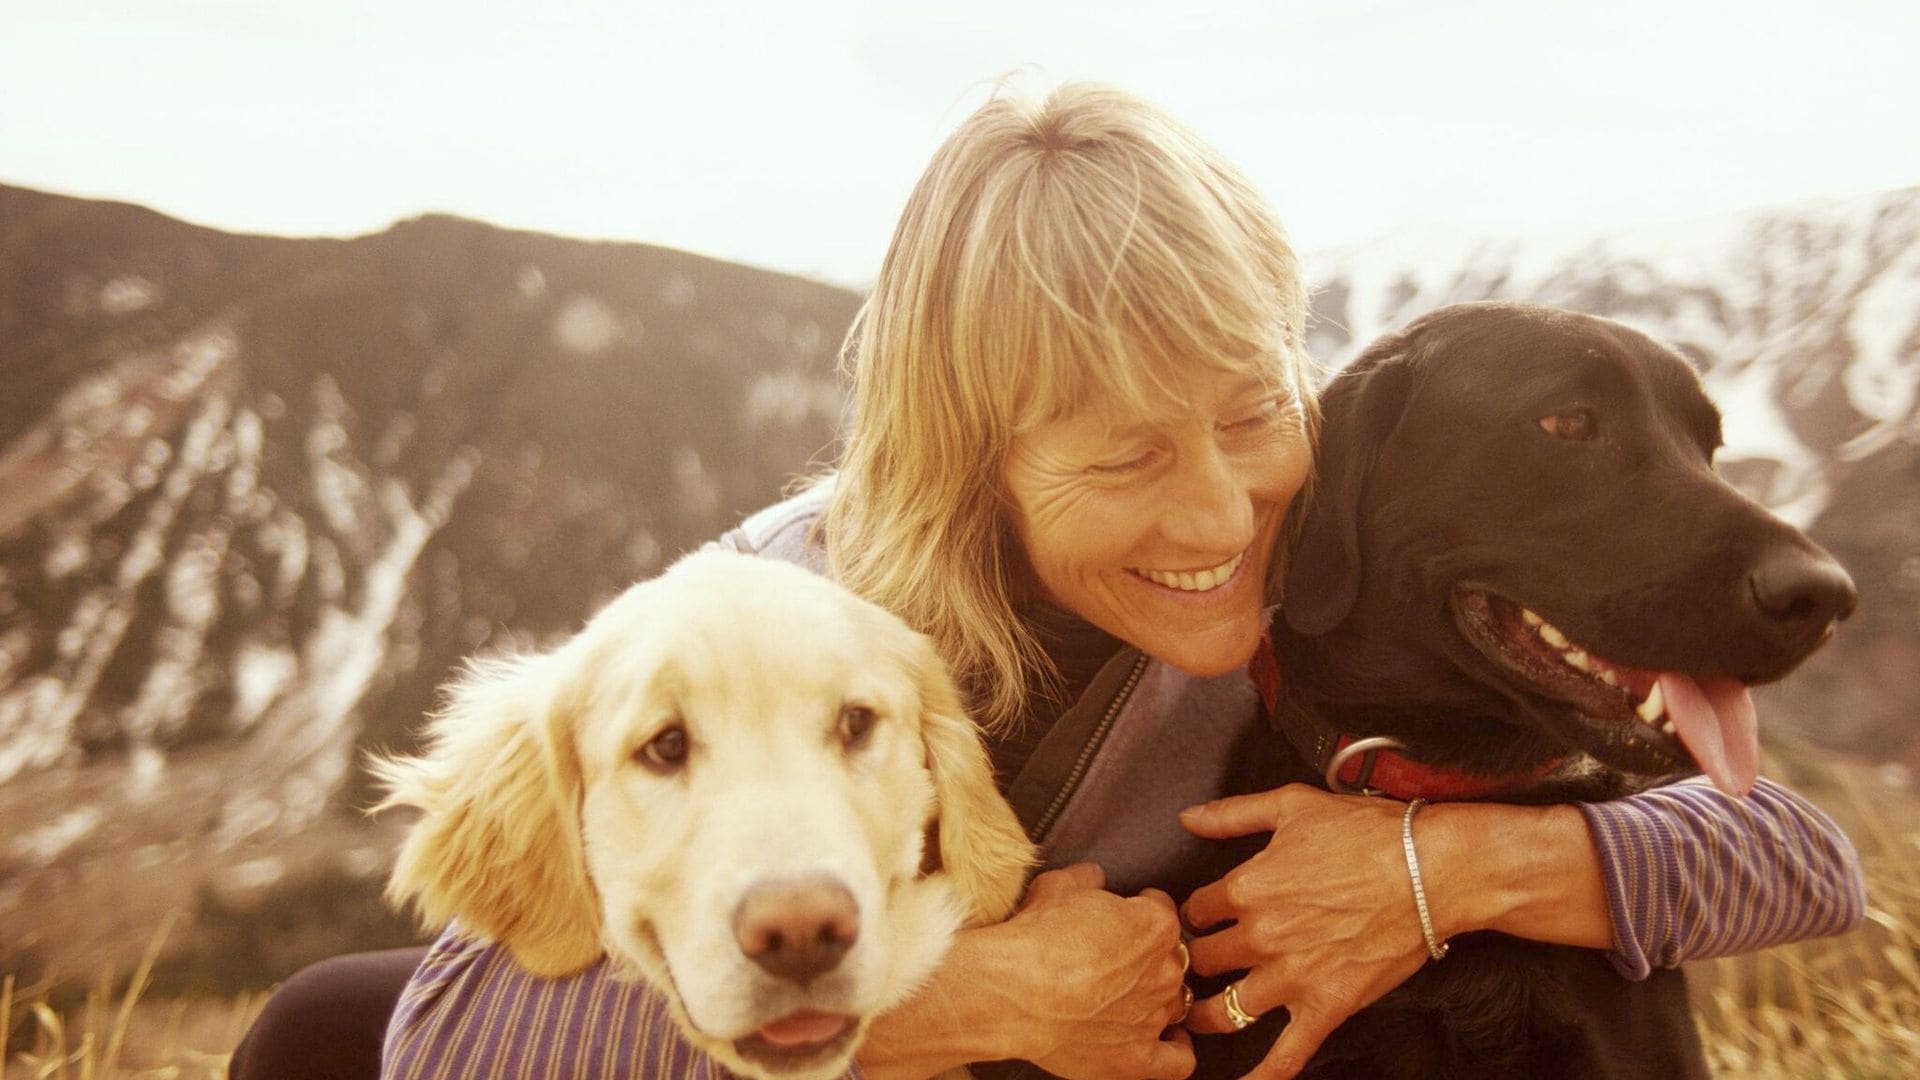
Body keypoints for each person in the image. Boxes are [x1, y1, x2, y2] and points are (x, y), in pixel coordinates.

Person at [230, 79, 1864, 1080]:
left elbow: (1794, 854)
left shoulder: (1336, 544)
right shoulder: (799, 611)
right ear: (977, 462)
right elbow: (458, 1039)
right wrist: (963, 1001)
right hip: (856, 1025)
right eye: (1124, 456)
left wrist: (1446, 872)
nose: (1218, 508)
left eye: (1251, 413)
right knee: (318, 1032)